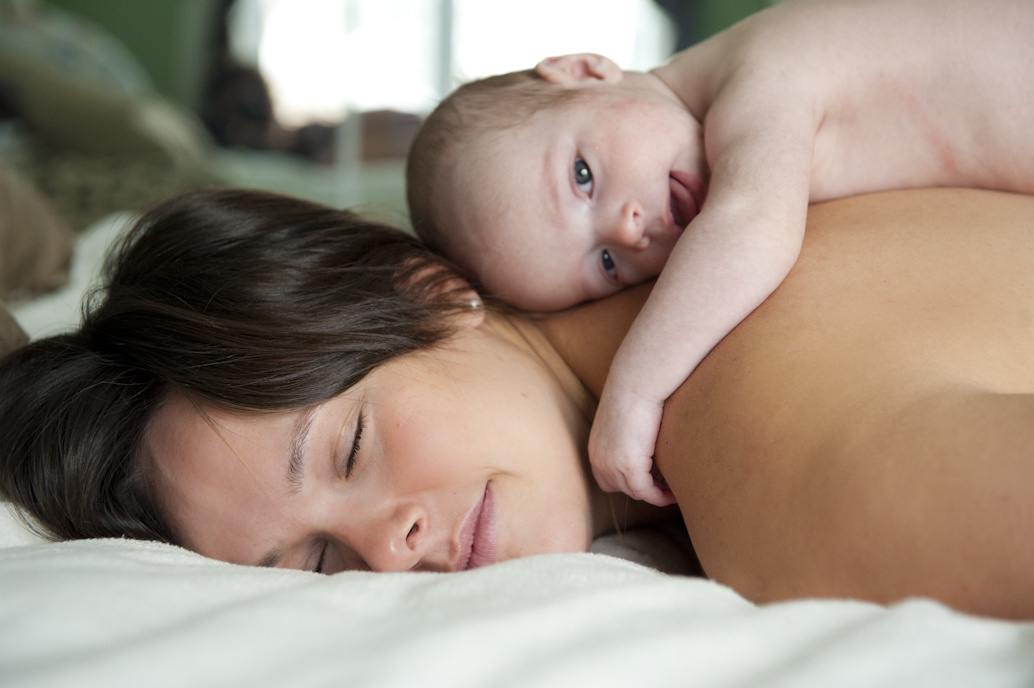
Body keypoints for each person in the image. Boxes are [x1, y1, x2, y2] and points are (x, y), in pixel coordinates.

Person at [3, 186, 1034, 620]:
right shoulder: (772, 207)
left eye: (351, 446)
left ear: (429, 288)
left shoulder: (755, 455)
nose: (389, 541)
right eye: (318, 561)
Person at [404, 0, 1034, 507]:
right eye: (606, 265)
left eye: (583, 176)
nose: (627, 231)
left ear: (583, 71)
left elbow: (752, 227)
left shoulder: (762, 74)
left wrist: (633, 392)